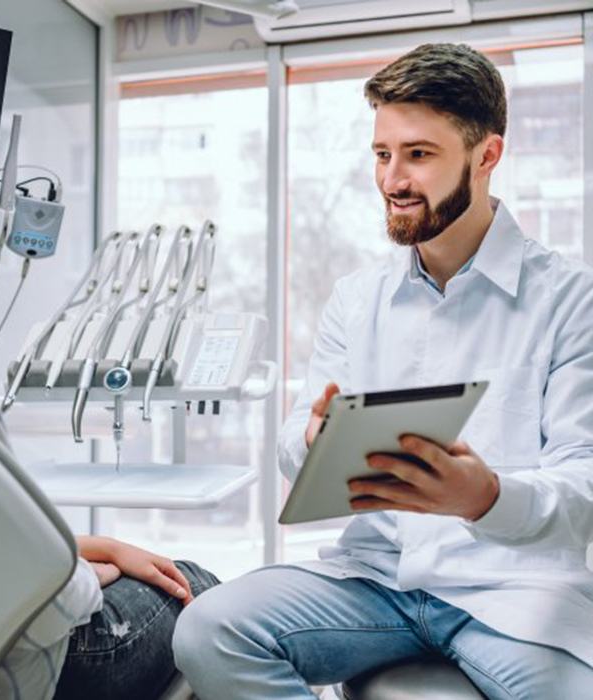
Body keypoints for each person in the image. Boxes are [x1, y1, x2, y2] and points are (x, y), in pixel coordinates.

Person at [172, 43, 593, 699]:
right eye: (382, 154)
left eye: (419, 155)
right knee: (208, 631)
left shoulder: (571, 299)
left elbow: (584, 486)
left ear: (486, 156)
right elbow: (293, 445)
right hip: (377, 580)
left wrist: (483, 498)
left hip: (513, 589)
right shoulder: (356, 297)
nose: (393, 178)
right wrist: (314, 441)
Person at [0, 100, 219, 700]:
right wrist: (82, 570)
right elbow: (56, 599)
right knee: (200, 586)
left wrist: (83, 548)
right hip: (22, 668)